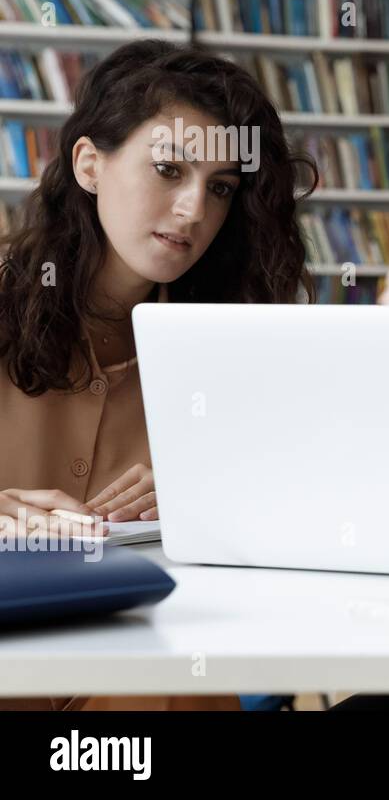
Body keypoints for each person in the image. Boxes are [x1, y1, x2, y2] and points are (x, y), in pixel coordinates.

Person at [0, 39, 316, 710]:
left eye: (221, 188)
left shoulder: (236, 345)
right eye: (169, 169)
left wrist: (214, 510)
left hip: (153, 671)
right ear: (89, 164)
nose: (194, 210)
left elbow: (293, 538)